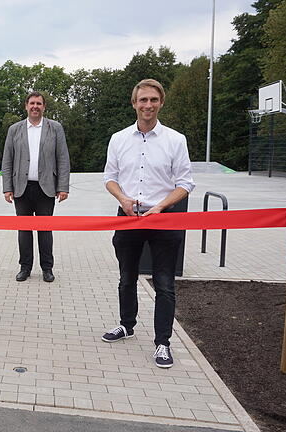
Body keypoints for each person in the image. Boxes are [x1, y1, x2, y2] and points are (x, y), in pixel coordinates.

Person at [101, 79, 195, 369]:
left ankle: (163, 342)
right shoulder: (118, 139)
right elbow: (110, 177)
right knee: (126, 277)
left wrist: (162, 206)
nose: (148, 105)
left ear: (161, 103)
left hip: (164, 218)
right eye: (143, 100)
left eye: (153, 100)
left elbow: (185, 183)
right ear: (134, 103)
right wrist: (123, 199)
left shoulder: (175, 140)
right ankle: (127, 325)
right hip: (129, 217)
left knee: (164, 283)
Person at [1, 91, 71, 283]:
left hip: (46, 187)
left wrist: (63, 186)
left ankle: (47, 268)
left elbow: (63, 158)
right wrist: (7, 187)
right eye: (32, 103)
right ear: (26, 106)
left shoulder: (55, 128)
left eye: (39, 103)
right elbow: (7, 160)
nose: (35, 106)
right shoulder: (14, 129)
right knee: (24, 230)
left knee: (45, 230)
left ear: (44, 106)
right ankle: (25, 267)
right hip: (21, 188)